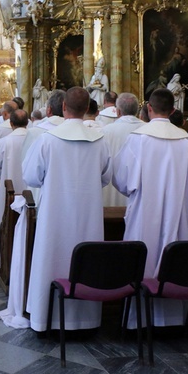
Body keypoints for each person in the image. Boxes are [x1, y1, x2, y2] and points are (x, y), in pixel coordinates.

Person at [20, 87, 111, 331]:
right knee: (87, 261)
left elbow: (31, 176)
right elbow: (106, 177)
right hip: (88, 213)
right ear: (88, 108)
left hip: (54, 213)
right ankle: (85, 320)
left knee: (52, 258)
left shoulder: (48, 140)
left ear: (63, 108)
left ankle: (45, 319)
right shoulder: (99, 141)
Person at [112, 88, 188, 328]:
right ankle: (173, 321)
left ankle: (140, 322)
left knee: (144, 257)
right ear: (172, 111)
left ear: (148, 108)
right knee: (174, 259)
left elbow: (120, 178)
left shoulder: (138, 138)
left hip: (144, 211)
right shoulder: (186, 139)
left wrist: (135, 192)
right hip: (178, 213)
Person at [0, 110, 41, 326]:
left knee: (6, 226)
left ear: (10, 123)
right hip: (30, 196)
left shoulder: (5, 141)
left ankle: (4, 264)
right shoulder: (37, 137)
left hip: (10, 193)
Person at [101, 93, 144, 207]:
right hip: (138, 196)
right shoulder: (147, 130)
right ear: (137, 111)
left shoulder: (105, 131)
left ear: (118, 111)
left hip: (109, 195)